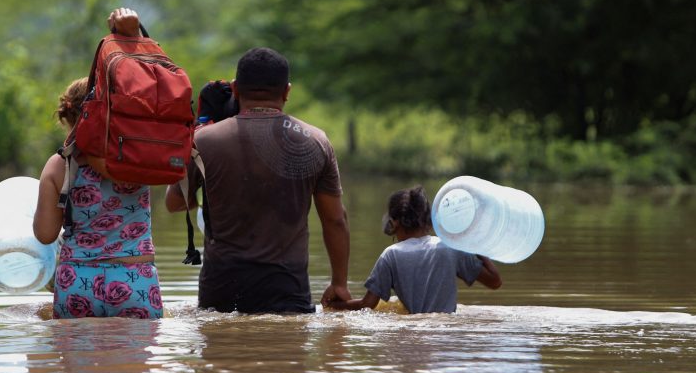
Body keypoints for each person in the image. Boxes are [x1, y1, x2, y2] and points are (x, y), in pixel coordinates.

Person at [164, 47, 351, 314]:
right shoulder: (315, 141)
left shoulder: (203, 141)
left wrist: (200, 128)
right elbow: (335, 219)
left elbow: (174, 203)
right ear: (287, 91)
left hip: (221, 290)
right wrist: (339, 283)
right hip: (288, 289)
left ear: (236, 89)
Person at [33, 8, 163, 319]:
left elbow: (45, 234)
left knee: (78, 366)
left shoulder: (59, 165)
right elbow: (152, 85)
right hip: (134, 279)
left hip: (77, 281)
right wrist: (133, 38)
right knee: (133, 368)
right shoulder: (137, 154)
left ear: (68, 117)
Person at [323, 186, 502, 314]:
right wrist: (473, 242)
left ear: (394, 223)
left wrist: (334, 306)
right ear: (429, 220)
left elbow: (367, 305)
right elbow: (495, 281)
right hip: (447, 335)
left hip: (412, 334)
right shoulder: (450, 247)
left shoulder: (390, 255)